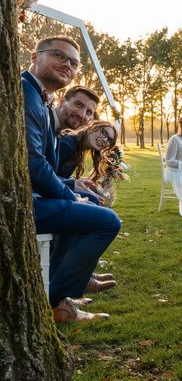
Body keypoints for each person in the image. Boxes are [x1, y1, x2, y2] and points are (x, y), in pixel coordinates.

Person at [23, 35, 121, 322]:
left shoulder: (40, 99)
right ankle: (57, 302)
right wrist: (70, 193)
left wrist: (71, 188)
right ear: (35, 56)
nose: (67, 65)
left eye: (74, 63)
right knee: (107, 221)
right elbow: (33, 164)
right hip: (22, 202)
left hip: (35, 196)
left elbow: (44, 168)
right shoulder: (26, 92)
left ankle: (64, 287)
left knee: (89, 205)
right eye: (59, 56)